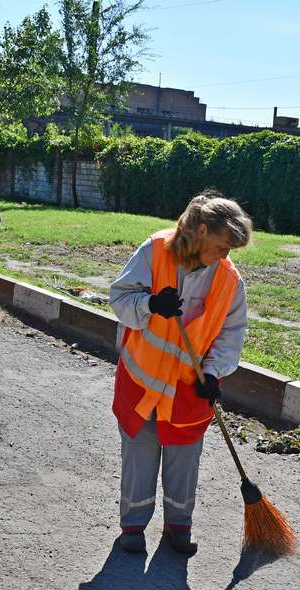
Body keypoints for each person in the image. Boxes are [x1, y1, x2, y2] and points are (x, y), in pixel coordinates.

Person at [110, 191, 252, 556]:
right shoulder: (156, 250)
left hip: (189, 389)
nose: (227, 254)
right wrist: (151, 304)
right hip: (142, 382)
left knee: (184, 461)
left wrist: (214, 373)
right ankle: (133, 528)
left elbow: (231, 334)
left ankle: (178, 527)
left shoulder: (230, 281)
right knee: (140, 458)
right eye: (223, 245)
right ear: (202, 230)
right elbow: (120, 300)